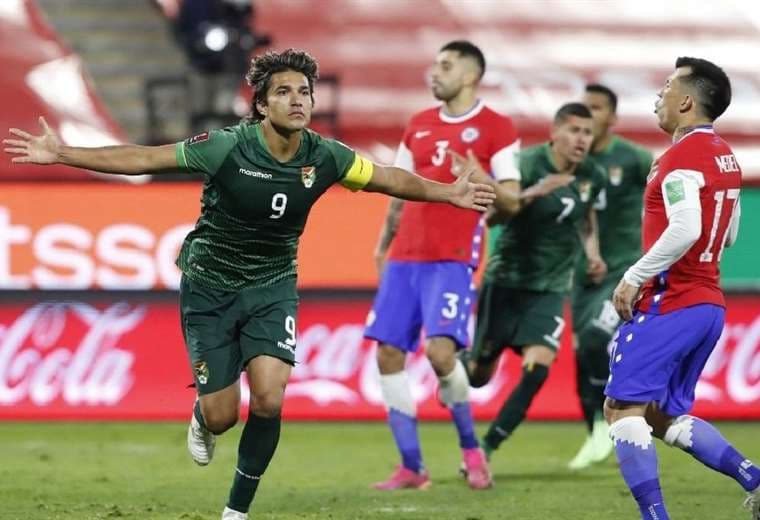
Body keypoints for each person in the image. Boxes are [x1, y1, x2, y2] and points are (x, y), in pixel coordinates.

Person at [3, 49, 495, 520]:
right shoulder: (226, 146)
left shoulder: (325, 156)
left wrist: (447, 193)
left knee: (270, 398)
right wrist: (64, 152)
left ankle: (236, 508)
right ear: (261, 104)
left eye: (305, 91)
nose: (298, 99)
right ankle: (202, 416)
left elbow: (387, 178)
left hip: (273, 285)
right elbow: (144, 158)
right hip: (209, 285)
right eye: (284, 92)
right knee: (222, 416)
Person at [604, 56, 759, 520]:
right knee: (659, 415)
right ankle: (754, 478)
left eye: (669, 86)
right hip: (708, 304)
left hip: (670, 302)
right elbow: (728, 233)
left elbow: (687, 226)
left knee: (621, 410)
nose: (661, 95)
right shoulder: (725, 157)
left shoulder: (680, 159)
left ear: (687, 101)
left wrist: (634, 275)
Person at [365, 40, 520, 491]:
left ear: (470, 75)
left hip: (452, 259)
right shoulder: (419, 124)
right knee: (388, 353)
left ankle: (472, 451)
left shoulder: (497, 128)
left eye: (446, 66)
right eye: (435, 64)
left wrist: (483, 176)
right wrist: (382, 247)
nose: (436, 73)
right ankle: (412, 466)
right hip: (404, 258)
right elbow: (397, 186)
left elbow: (512, 200)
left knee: (440, 353)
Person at [464, 102, 607, 461]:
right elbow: (493, 219)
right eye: (574, 131)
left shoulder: (592, 175)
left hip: (550, 288)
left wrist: (593, 253)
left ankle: (488, 446)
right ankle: (454, 363)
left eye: (587, 133)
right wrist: (534, 192)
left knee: (538, 367)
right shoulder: (525, 166)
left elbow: (587, 219)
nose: (581, 139)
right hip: (507, 281)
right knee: (478, 376)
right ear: (554, 132)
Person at [567, 84, 653, 470]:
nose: (588, 113)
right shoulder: (568, 161)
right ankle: (593, 433)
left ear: (612, 118)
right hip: (580, 274)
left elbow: (661, 204)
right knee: (580, 351)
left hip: (621, 270)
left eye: (596, 107)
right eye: (583, 106)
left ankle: (610, 422)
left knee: (594, 337)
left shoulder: (633, 159)